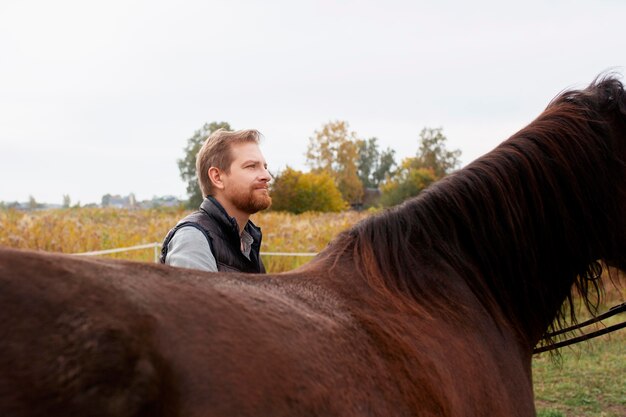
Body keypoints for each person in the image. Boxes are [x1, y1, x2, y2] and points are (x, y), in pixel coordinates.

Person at [160, 129, 272, 273]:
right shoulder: (193, 239)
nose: (266, 175)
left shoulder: (247, 242)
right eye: (251, 166)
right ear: (217, 178)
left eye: (265, 167)